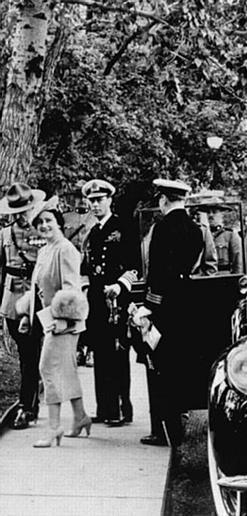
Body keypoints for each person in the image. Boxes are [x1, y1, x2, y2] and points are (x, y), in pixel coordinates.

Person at [137, 178, 217, 447]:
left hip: (164, 306)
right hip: (187, 303)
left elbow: (159, 271)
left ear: (163, 200)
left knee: (162, 367)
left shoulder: (162, 228)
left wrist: (150, 304)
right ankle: (182, 425)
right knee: (183, 365)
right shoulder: (196, 230)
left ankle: (167, 429)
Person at [16, 197, 91, 447]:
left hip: (65, 322)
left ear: (58, 222)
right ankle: (80, 417)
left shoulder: (66, 249)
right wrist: (27, 314)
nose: (45, 226)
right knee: (66, 370)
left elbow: (72, 289)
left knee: (47, 368)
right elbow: (38, 289)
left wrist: (62, 319)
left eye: (49, 221)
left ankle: (54, 427)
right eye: (40, 223)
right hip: (50, 319)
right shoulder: (45, 250)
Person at [80, 179, 138, 427]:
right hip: (96, 302)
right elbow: (86, 268)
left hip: (117, 301)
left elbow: (135, 265)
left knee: (117, 354)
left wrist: (120, 285)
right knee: (100, 353)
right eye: (91, 201)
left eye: (99, 200)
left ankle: (122, 410)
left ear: (109, 200)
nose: (95, 205)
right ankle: (104, 407)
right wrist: (84, 289)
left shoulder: (123, 227)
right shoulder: (92, 233)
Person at [0, 183, 47, 430]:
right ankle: (29, 403)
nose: (21, 216)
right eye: (16, 211)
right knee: (24, 354)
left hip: (33, 299)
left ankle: (26, 407)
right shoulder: (5, 234)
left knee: (30, 355)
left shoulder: (43, 231)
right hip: (11, 300)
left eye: (25, 210)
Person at [207, 204, 243, 274]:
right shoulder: (203, 234)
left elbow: (238, 262)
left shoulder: (230, 235)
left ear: (222, 214)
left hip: (224, 277)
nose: (210, 215)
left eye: (214, 212)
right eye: (208, 212)